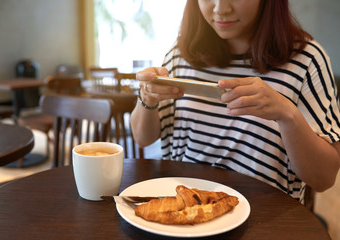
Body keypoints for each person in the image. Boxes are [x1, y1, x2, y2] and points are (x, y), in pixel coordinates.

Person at [130, 0, 340, 203]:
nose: (221, 9)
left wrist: (288, 114)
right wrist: (147, 98)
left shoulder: (305, 60)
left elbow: (323, 179)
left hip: (265, 220)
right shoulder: (181, 55)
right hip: (185, 212)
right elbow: (142, 138)